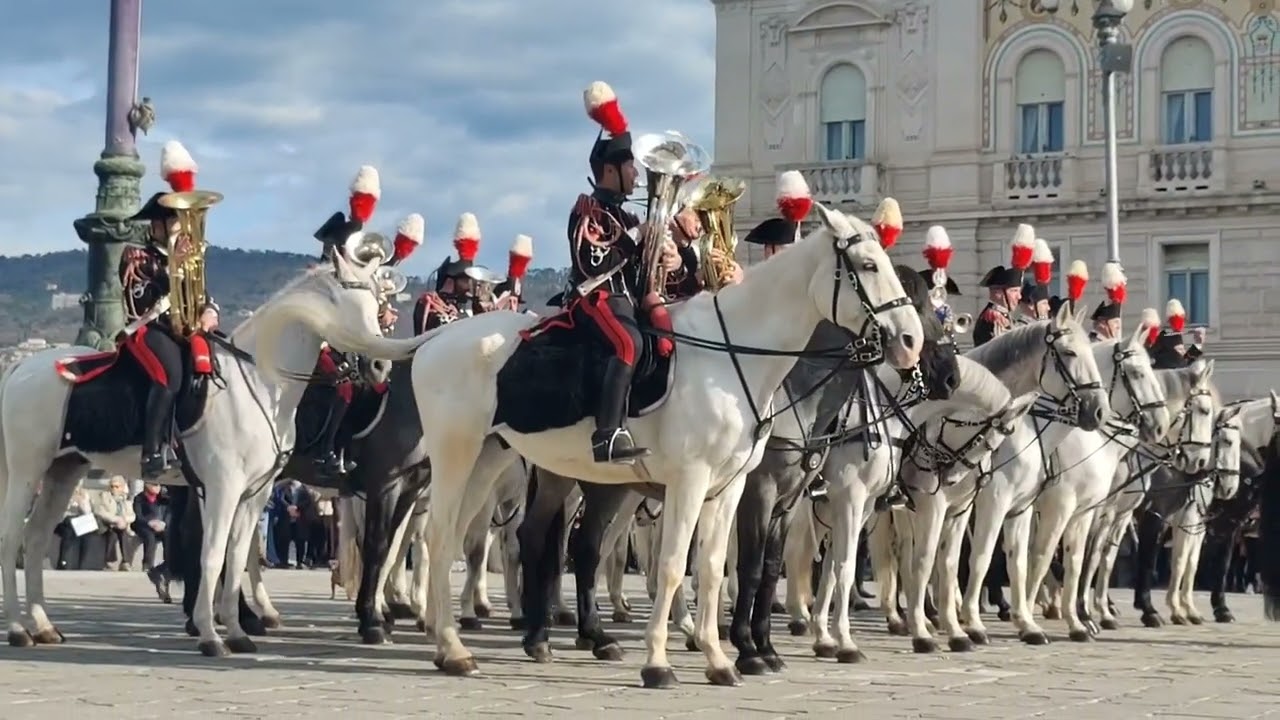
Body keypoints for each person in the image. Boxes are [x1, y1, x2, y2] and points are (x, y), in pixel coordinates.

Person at [560, 81, 683, 464]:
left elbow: (641, 272)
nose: (636, 173)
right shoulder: (587, 211)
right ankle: (607, 435)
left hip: (625, 299)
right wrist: (636, 236)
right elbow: (591, 264)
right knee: (628, 342)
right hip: (594, 298)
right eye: (630, 165)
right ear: (610, 169)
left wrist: (669, 260)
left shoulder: (627, 215)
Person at [121, 140, 213, 479]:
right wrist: (173, 265)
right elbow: (139, 298)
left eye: (180, 222)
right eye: (171, 222)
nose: (178, 228)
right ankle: (151, 451)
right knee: (170, 376)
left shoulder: (190, 259)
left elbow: (204, 293)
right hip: (149, 329)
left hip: (186, 328)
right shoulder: (137, 255)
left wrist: (209, 312)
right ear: (156, 225)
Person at [413, 213, 488, 333]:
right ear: (450, 281)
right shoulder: (430, 305)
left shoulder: (466, 308)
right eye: (465, 280)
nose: (469, 285)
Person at [972, 265, 1023, 347]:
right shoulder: (992, 317)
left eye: (1019, 291)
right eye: (1014, 291)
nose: (1019, 296)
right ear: (997, 293)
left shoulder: (1003, 314)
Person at [92, 477, 136, 570]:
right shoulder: (104, 496)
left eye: (117, 487)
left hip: (121, 525)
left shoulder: (125, 499)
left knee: (124, 534)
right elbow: (100, 512)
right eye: (112, 486)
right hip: (107, 524)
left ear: (122, 487)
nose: (114, 489)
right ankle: (106, 562)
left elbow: (132, 515)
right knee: (112, 534)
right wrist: (116, 520)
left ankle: (125, 562)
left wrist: (124, 520)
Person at [269, 479, 315, 568]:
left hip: (300, 518)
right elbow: (280, 499)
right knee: (284, 540)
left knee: (300, 541)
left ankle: (300, 561)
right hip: (286, 518)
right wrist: (288, 507)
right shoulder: (284, 488)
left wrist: (297, 508)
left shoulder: (304, 489)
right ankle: (283, 561)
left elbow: (308, 502)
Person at [1148, 298, 1205, 369]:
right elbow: (1182, 363)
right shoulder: (1165, 337)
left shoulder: (1175, 336)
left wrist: (1198, 344)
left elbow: (1185, 361)